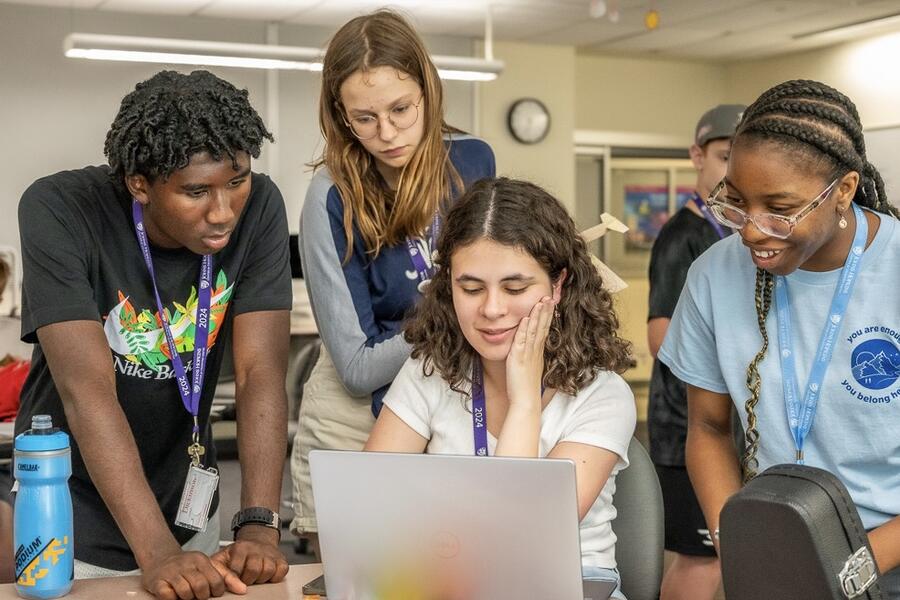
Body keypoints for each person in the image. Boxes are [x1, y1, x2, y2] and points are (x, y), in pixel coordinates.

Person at [16, 70, 293, 599]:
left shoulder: (259, 209)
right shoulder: (60, 209)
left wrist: (258, 521)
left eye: (236, 180)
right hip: (70, 509)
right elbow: (87, 391)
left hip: (188, 503)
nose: (223, 211)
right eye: (196, 191)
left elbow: (261, 371)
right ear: (139, 184)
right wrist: (158, 551)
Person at [658, 80, 900, 597]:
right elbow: (707, 426)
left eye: (780, 208)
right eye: (738, 202)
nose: (749, 229)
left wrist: (849, 566)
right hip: (775, 549)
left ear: (844, 190)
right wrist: (737, 542)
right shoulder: (713, 275)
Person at [365, 177, 636, 598]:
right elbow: (367, 508)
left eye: (515, 288)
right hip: (448, 582)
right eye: (470, 288)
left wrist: (525, 400)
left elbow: (517, 546)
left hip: (570, 585)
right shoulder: (430, 372)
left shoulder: (603, 394)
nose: (491, 309)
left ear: (558, 284)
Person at [291, 8, 495, 545]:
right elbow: (358, 367)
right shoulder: (331, 197)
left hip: (446, 393)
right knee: (355, 573)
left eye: (402, 109)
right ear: (340, 115)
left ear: (428, 89)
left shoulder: (473, 160)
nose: (386, 134)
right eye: (364, 119)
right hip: (355, 414)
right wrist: (456, 312)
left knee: (447, 562)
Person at [646, 103, 744, 600]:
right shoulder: (683, 236)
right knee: (701, 563)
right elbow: (660, 337)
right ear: (697, 156)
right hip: (686, 428)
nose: (734, 169)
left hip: (736, 429)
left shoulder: (746, 237)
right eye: (725, 155)